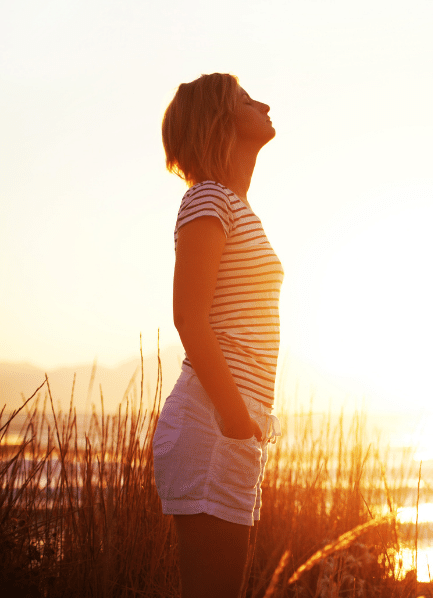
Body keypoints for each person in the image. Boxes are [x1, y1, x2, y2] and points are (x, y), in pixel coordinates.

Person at [152, 73, 284, 598]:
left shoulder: (230, 203)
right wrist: (234, 417)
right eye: (247, 100)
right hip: (213, 422)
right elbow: (190, 318)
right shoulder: (208, 198)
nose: (265, 103)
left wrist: (243, 420)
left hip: (228, 422)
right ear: (220, 119)